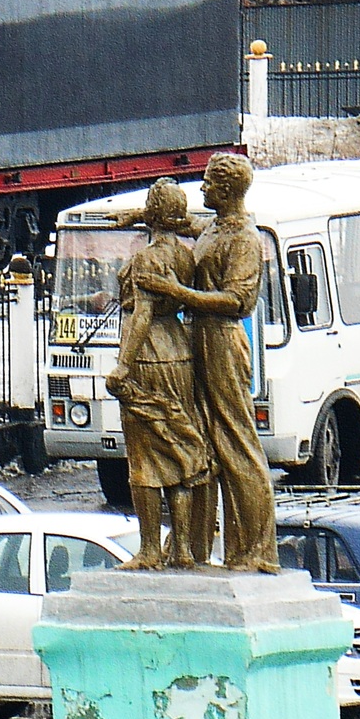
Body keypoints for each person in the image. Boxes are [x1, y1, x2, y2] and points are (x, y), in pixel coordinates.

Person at [137, 153, 280, 575]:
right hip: (198, 336)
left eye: (209, 186)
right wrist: (138, 217)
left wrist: (175, 291)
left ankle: (255, 549)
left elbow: (237, 302)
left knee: (236, 442)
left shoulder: (245, 240)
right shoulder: (215, 227)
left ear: (228, 191)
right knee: (201, 439)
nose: (202, 191)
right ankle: (192, 545)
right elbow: (183, 224)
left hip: (221, 340)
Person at [104, 179, 211, 569]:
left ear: (152, 213)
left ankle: (150, 549)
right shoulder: (187, 255)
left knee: (145, 459)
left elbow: (142, 314)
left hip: (148, 357)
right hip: (179, 354)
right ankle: (182, 548)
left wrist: (123, 366)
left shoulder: (148, 259)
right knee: (179, 449)